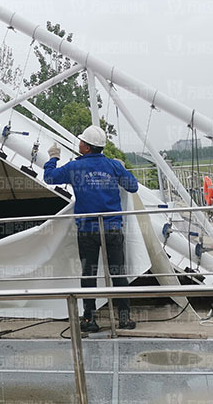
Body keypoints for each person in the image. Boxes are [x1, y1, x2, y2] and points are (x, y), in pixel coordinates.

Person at [43, 125, 139, 332]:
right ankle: (124, 318)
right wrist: (121, 169)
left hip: (88, 229)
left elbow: (49, 178)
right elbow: (133, 186)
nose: (79, 144)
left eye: (81, 142)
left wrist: (53, 157)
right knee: (118, 273)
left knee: (89, 274)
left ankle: (89, 320)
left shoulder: (74, 167)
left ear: (87, 147)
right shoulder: (112, 166)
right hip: (112, 227)